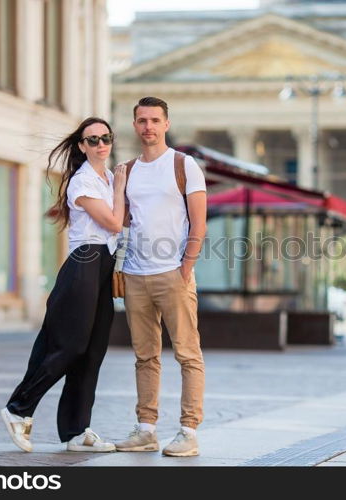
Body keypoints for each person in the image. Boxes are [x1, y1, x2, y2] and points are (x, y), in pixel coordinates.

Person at [0, 117, 126, 453]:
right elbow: (114, 222)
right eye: (93, 139)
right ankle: (18, 409)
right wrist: (121, 187)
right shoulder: (83, 181)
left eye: (106, 138)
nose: (101, 144)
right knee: (68, 346)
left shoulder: (109, 177)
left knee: (93, 351)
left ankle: (75, 430)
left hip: (104, 267)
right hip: (83, 264)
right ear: (82, 147)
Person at [114, 97, 207, 457]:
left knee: (188, 354)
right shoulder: (128, 170)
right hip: (135, 274)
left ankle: (188, 431)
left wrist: (186, 266)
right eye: (142, 120)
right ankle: (146, 429)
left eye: (154, 120)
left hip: (173, 274)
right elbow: (120, 220)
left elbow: (198, 222)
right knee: (145, 356)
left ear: (166, 124)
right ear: (135, 125)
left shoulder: (184, 165)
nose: (148, 126)